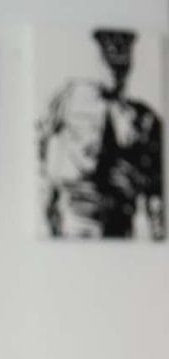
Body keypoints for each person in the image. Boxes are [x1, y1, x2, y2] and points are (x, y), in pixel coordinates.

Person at [37, 29, 164, 240]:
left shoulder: (144, 118)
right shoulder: (69, 97)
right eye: (109, 51)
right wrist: (47, 198)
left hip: (120, 223)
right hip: (74, 217)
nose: (115, 66)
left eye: (122, 62)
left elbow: (156, 188)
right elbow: (40, 143)